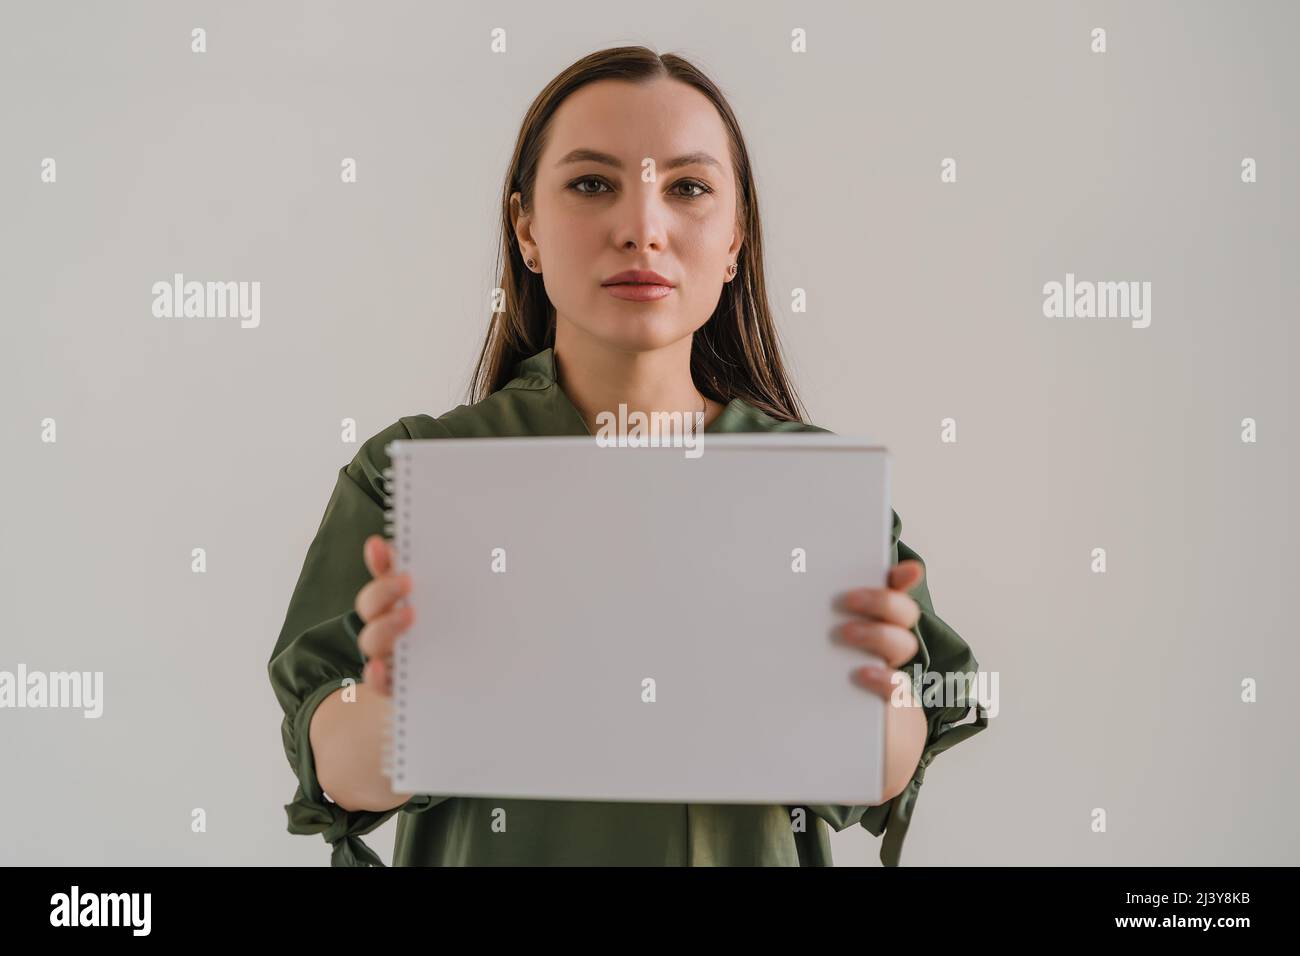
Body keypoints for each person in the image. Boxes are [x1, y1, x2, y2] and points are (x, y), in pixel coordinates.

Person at [267, 45, 986, 867]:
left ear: (734, 239)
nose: (642, 227)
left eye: (688, 188)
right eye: (591, 183)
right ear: (526, 229)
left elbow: (880, 770)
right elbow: (334, 766)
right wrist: (410, 713)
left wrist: (882, 693)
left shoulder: (812, 490)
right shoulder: (412, 472)